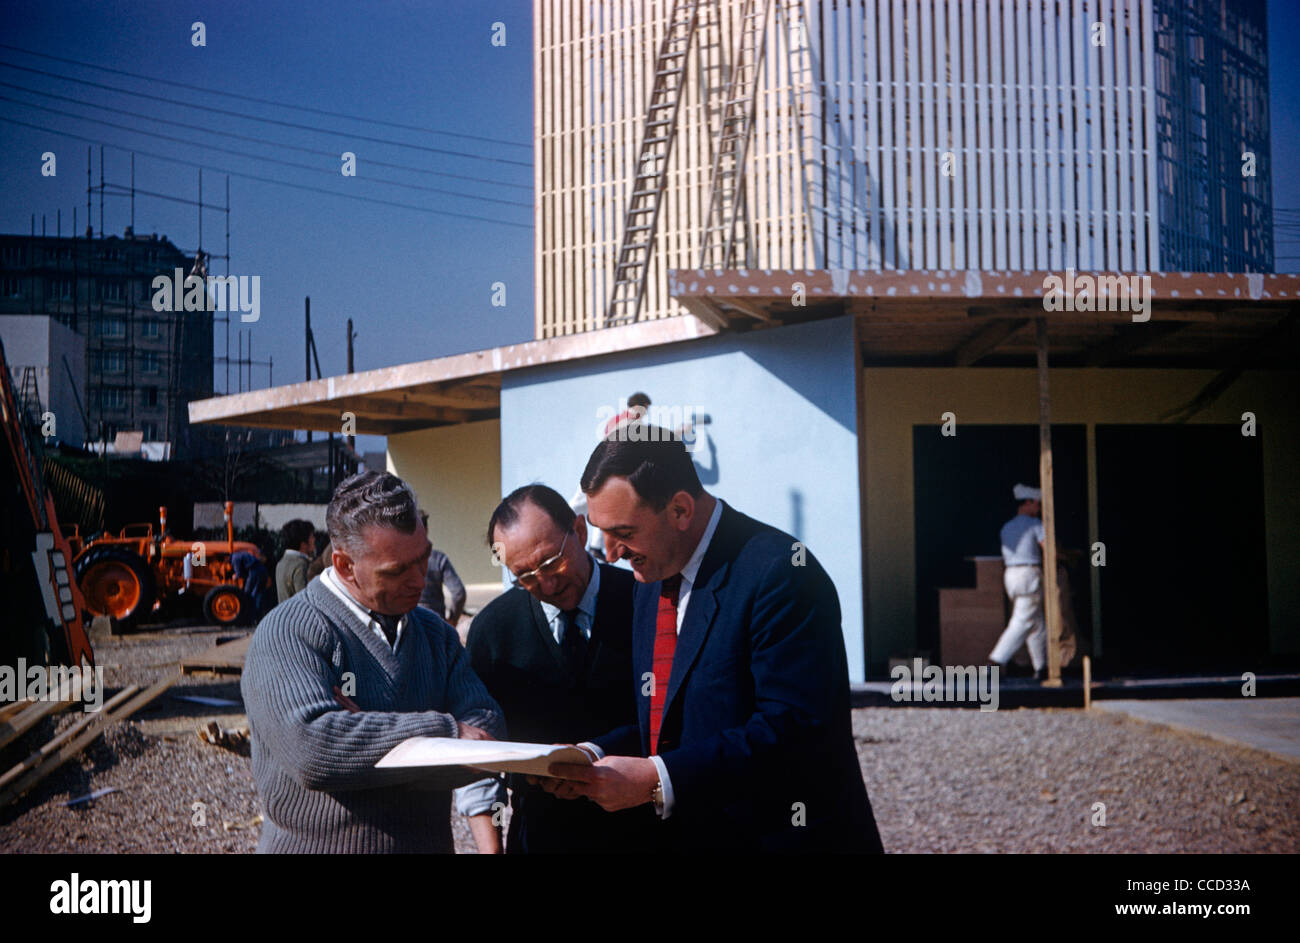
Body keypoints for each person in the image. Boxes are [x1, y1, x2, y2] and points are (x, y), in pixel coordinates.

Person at [540, 427, 884, 853]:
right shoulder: (650, 577)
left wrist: (655, 779)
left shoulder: (781, 572)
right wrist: (589, 757)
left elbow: (793, 731)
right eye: (600, 532)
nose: (610, 553)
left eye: (623, 533)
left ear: (681, 510)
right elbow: (668, 721)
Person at [240, 471, 504, 853]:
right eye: (397, 570)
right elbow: (314, 753)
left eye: (424, 558)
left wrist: (365, 735)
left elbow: (488, 732)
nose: (419, 580)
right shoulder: (286, 632)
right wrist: (446, 734)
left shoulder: (436, 634)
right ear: (345, 566)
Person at [454, 485, 652, 854]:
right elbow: (481, 746)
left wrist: (598, 754)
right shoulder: (494, 631)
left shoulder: (646, 601)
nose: (545, 584)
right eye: (524, 577)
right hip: (541, 834)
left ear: (579, 531)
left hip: (644, 828)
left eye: (550, 562)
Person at [570, 392, 652, 561]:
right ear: (640, 406)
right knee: (576, 506)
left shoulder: (618, 420)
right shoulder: (629, 423)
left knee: (604, 510)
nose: (646, 413)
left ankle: (595, 547)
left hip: (604, 472)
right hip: (605, 472)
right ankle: (558, 527)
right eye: (646, 409)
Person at [989, 483, 1047, 680]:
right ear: (1028, 503)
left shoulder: (1007, 527)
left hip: (1011, 575)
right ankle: (996, 661)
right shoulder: (1035, 524)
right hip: (1028, 574)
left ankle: (1042, 667)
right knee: (1022, 620)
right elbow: (1049, 549)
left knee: (1036, 624)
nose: (1039, 509)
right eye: (1037, 505)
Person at [416, 510, 467, 626]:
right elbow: (459, 592)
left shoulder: (399, 559)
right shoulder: (438, 559)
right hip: (436, 623)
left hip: (408, 624)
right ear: (427, 529)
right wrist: (453, 619)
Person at [275, 519, 316, 604]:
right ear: (303, 544)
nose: (314, 539)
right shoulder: (302, 565)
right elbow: (306, 601)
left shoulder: (281, 563)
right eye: (311, 536)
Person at [229, 548, 272, 619]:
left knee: (247, 594)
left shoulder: (234, 558)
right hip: (263, 571)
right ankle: (259, 617)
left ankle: (249, 617)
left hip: (255, 572)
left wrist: (234, 576)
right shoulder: (240, 554)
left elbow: (238, 574)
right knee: (259, 594)